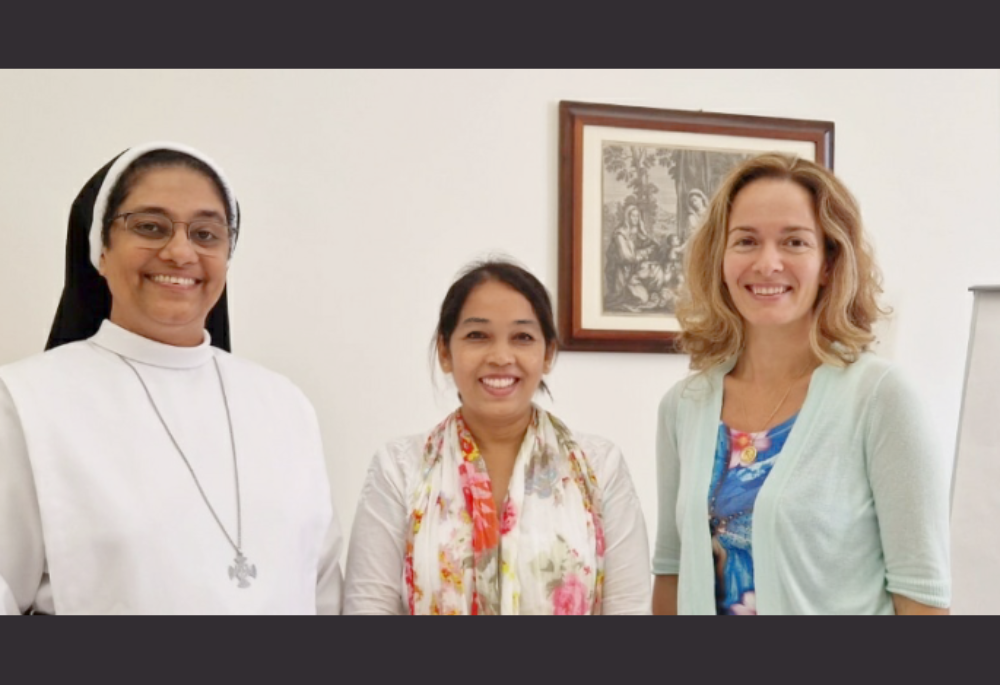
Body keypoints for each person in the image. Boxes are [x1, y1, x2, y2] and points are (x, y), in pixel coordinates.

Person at [0, 141, 343, 614]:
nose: (180, 251)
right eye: (150, 227)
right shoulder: (25, 400)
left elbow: (321, 591)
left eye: (206, 234)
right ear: (101, 248)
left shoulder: (284, 404)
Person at [651, 153, 951, 615]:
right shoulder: (684, 405)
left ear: (829, 262)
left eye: (794, 242)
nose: (767, 263)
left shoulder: (881, 398)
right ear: (720, 258)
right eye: (746, 241)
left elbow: (922, 601)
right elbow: (671, 571)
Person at [343, 259, 650, 614]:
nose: (501, 356)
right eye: (477, 336)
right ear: (445, 351)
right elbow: (368, 607)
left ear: (547, 353)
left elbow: (630, 607)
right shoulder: (399, 468)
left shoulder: (599, 465)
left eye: (522, 337)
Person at [604, 203, 656, 309]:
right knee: (641, 298)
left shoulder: (639, 232)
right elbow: (627, 257)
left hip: (636, 270)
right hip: (623, 271)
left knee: (656, 273)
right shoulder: (620, 234)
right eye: (633, 215)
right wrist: (644, 253)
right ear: (627, 217)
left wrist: (647, 249)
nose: (635, 218)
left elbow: (652, 245)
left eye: (637, 216)